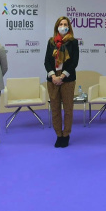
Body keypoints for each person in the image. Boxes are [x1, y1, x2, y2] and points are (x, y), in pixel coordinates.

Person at [44, 16, 79, 148]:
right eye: (60, 24)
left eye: (65, 24)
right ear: (57, 27)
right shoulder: (51, 42)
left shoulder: (73, 42)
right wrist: (53, 76)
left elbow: (74, 62)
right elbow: (47, 61)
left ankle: (66, 134)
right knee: (55, 108)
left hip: (68, 79)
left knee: (68, 109)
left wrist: (62, 76)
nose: (63, 26)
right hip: (52, 79)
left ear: (69, 27)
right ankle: (59, 135)